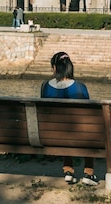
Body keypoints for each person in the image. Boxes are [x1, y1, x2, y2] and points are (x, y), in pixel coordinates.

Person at [40, 52, 98, 186]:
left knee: (64, 128)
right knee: (84, 128)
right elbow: (87, 114)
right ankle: (89, 173)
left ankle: (68, 171)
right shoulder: (80, 87)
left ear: (55, 68)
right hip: (78, 134)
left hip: (51, 135)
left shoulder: (45, 86)